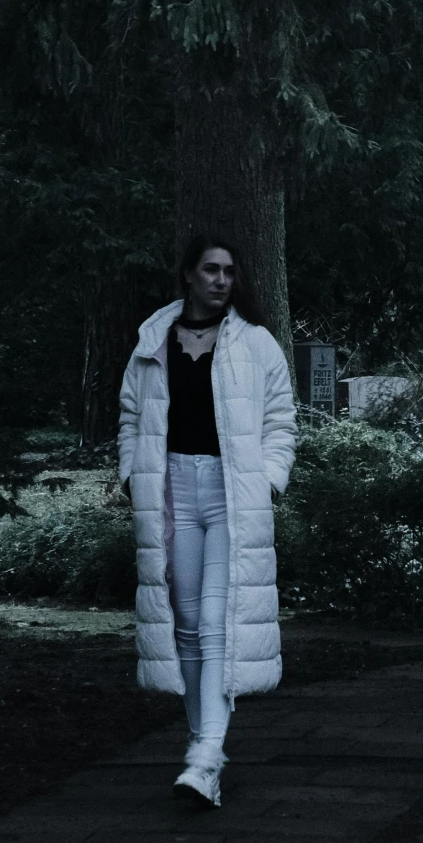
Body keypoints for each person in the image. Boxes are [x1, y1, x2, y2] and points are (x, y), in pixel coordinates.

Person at [118, 235, 297, 805]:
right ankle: (204, 757)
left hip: (231, 494)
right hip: (172, 489)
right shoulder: (153, 340)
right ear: (188, 276)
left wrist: (266, 480)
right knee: (188, 625)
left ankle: (204, 755)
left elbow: (281, 423)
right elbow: (130, 415)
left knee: (220, 623)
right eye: (211, 270)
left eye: (229, 271)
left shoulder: (257, 344)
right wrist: (131, 474)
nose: (222, 280)